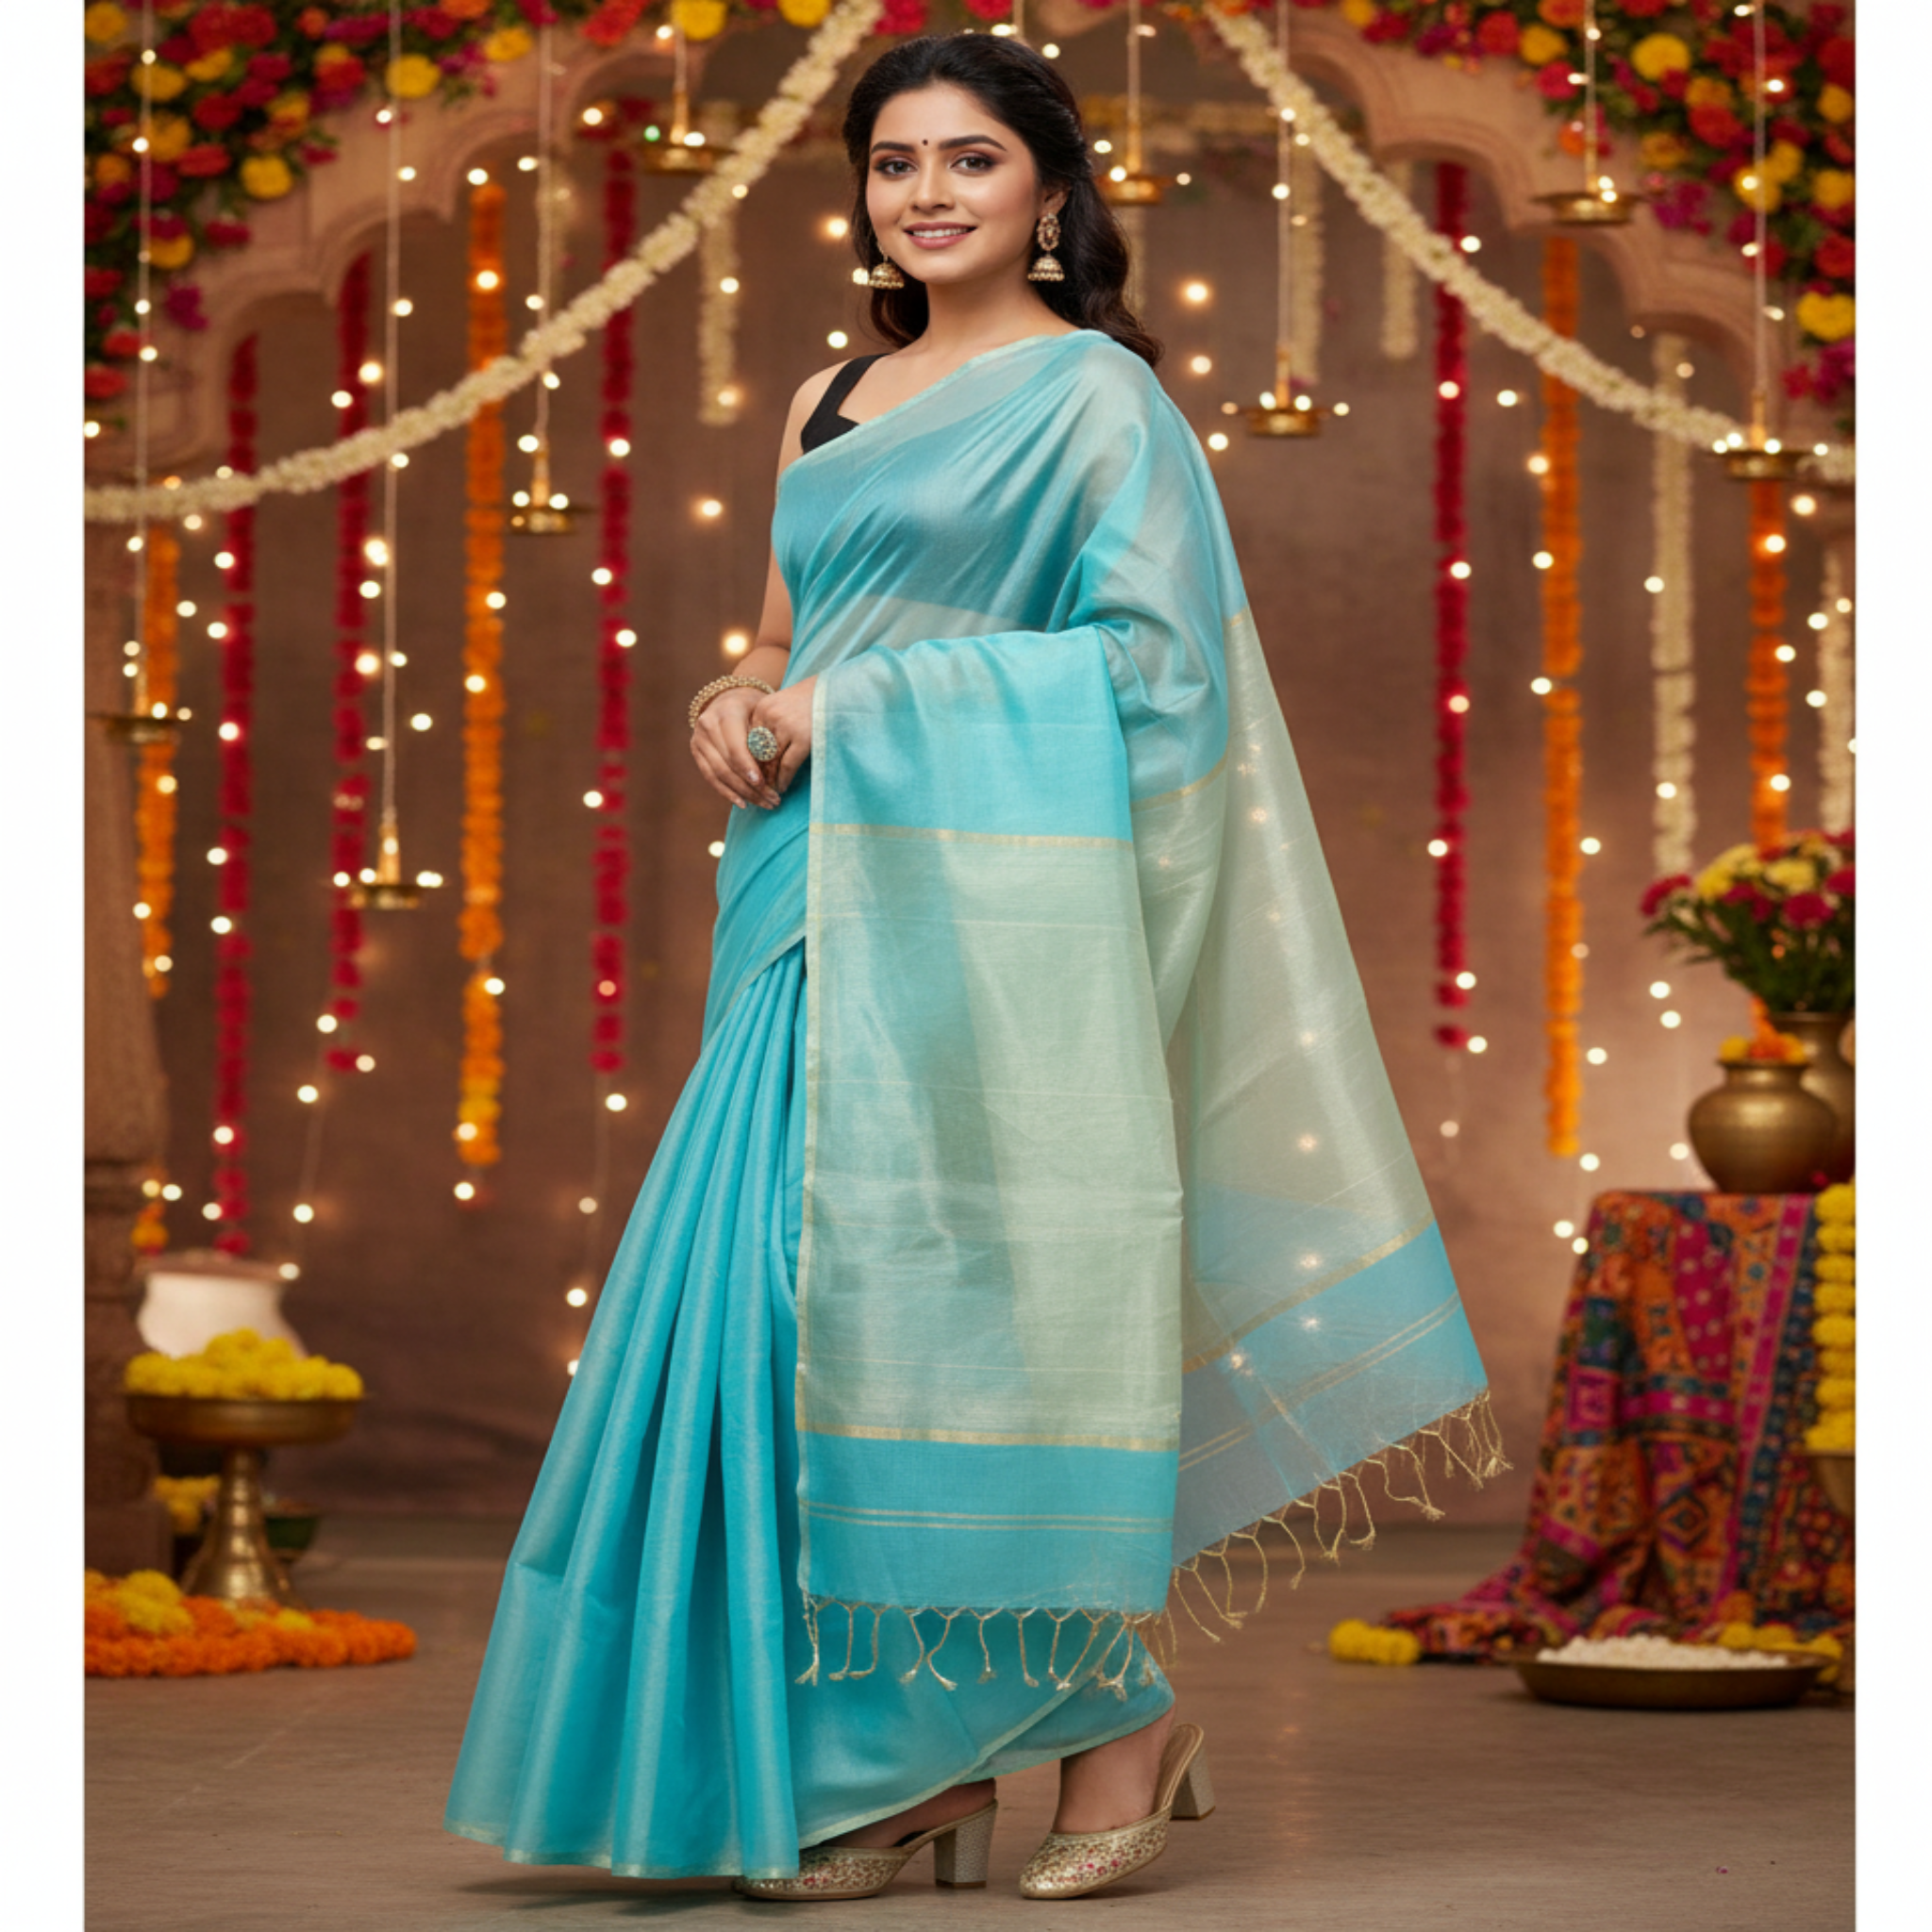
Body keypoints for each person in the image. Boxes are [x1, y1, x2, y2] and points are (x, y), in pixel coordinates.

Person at [446, 31, 1500, 1903]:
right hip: (803, 892)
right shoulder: (827, 398)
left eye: (970, 162)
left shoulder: (1095, 398)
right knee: (779, 1326)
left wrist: (872, 700)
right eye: (894, 164)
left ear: (1048, 191)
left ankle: (1098, 1726)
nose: (926, 193)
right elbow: (781, 638)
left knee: (952, 1327)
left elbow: (1159, 677)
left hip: (990, 920)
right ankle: (907, 1766)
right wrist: (734, 693)